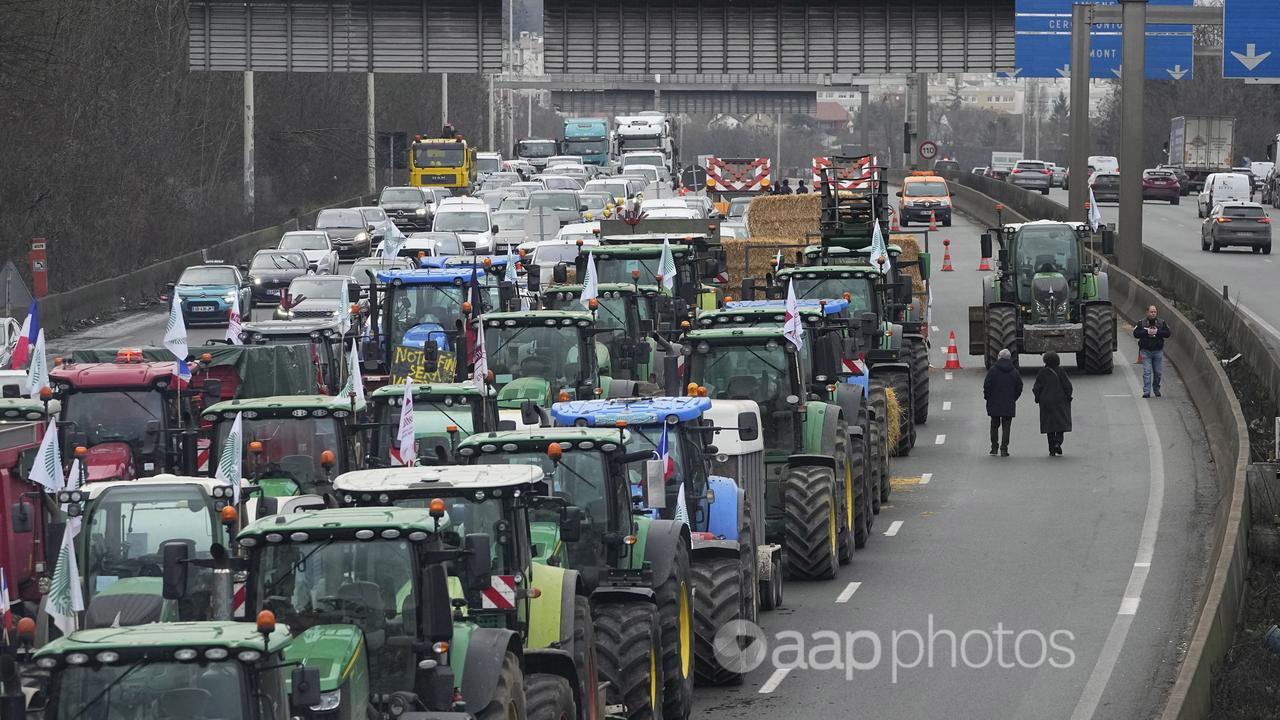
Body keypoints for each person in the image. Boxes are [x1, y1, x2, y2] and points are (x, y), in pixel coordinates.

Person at [983, 348, 1023, 456]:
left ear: (999, 357)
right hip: (1008, 402)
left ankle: (994, 447)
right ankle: (1004, 448)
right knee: (1006, 427)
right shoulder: (1014, 371)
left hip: (994, 402)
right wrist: (1013, 398)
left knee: (994, 425)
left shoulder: (993, 370)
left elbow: (987, 385)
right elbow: (1019, 387)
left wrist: (988, 397)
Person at [1033, 351, 1073, 456]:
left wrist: (1037, 398)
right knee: (1061, 423)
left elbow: (1037, 388)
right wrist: (1068, 396)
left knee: (1049, 424)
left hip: (1046, 401)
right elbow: (1068, 386)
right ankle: (1058, 442)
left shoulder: (1042, 372)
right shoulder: (1061, 371)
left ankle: (1051, 449)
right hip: (1060, 400)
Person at [1133, 305, 1171, 398]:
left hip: (1158, 351)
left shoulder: (1161, 323)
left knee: (1158, 372)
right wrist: (1147, 332)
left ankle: (1156, 389)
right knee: (1147, 372)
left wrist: (1157, 332)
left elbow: (1167, 333)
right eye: (1151, 312)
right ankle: (1146, 391)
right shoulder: (1141, 323)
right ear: (1147, 312)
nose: (1153, 313)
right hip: (1146, 351)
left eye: (1154, 312)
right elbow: (1136, 334)